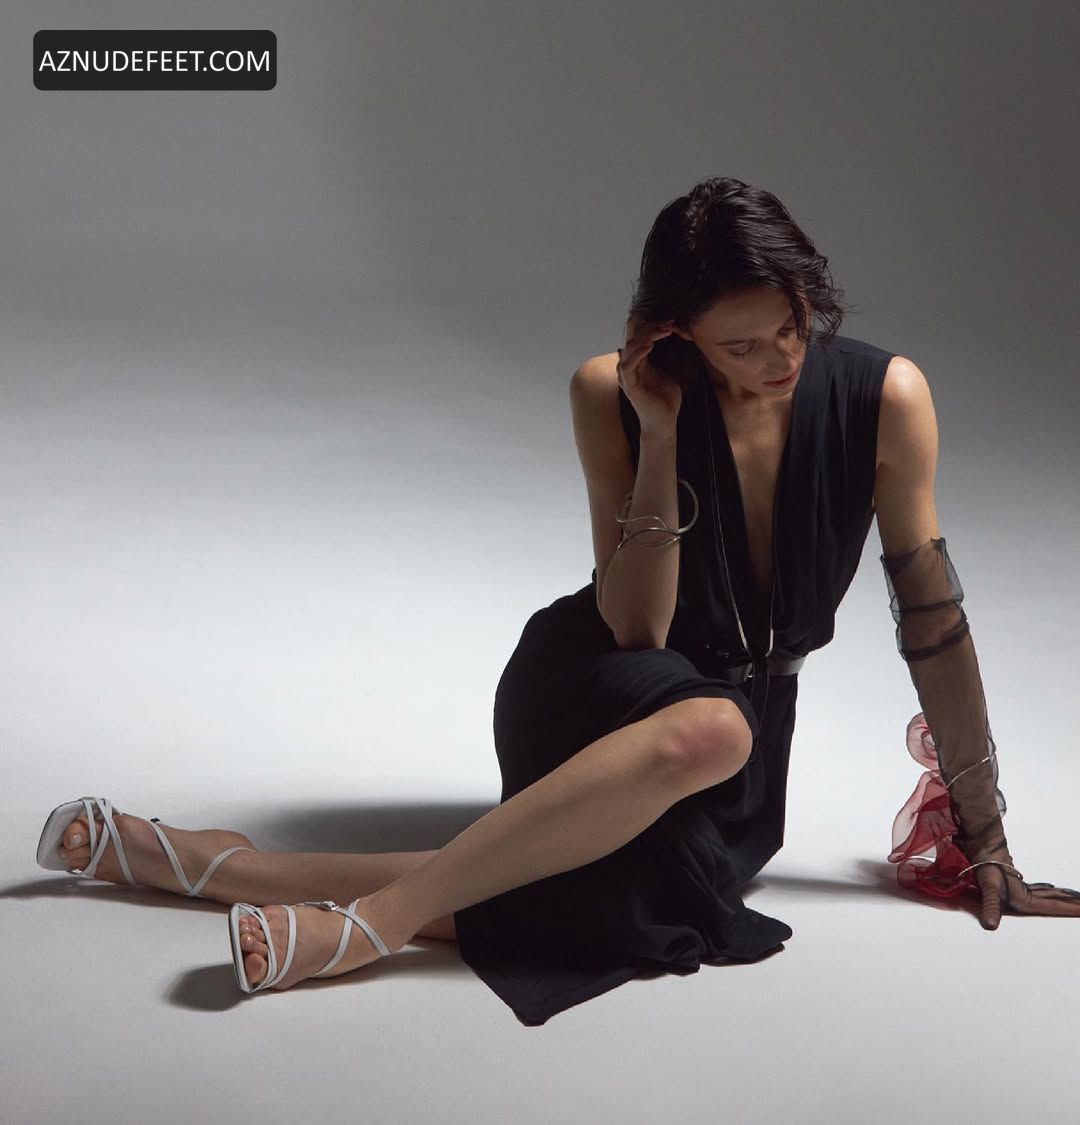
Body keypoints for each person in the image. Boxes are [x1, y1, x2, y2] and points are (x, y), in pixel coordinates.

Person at [36, 176, 1080, 1025]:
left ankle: (198, 862)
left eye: (793, 326)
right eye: (741, 345)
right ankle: (369, 929)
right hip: (599, 689)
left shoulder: (886, 397)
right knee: (711, 731)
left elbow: (933, 623)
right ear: (676, 334)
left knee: (634, 886)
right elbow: (636, 628)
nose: (780, 359)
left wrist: (985, 837)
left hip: (733, 747)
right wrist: (659, 434)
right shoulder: (608, 391)